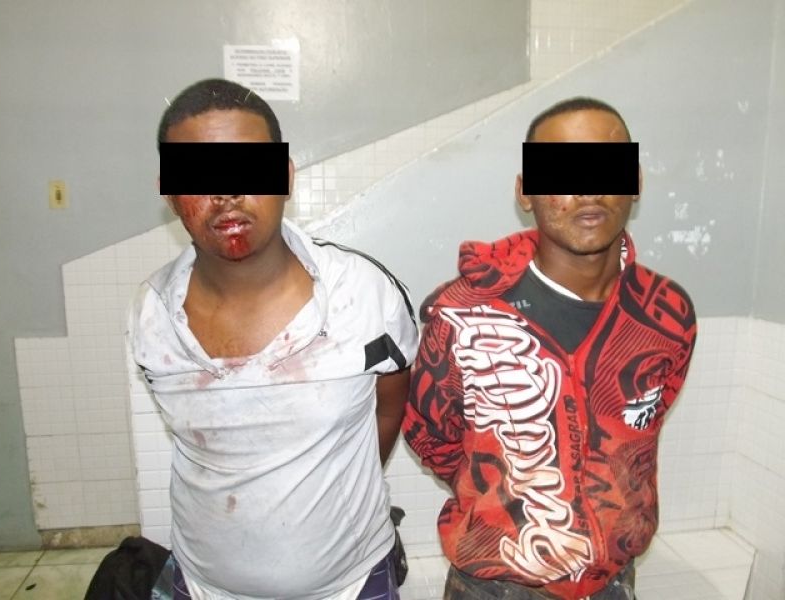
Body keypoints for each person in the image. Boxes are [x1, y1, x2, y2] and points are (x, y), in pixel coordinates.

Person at [127, 78, 418, 600]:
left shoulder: (364, 295)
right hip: (202, 586)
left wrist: (327, 498)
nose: (226, 193)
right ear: (169, 192)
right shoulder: (152, 312)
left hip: (353, 583)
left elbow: (389, 410)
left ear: (284, 176)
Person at [401, 97, 697, 600]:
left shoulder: (667, 315)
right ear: (525, 191)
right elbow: (430, 434)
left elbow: (642, 431)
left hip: (612, 584)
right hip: (490, 587)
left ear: (635, 181)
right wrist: (499, 499)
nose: (589, 188)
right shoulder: (461, 313)